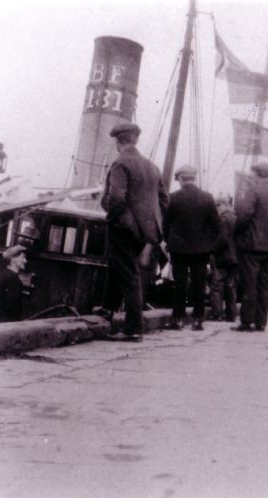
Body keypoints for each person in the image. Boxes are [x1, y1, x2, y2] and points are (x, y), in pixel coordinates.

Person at [100, 122, 168, 342]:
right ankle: (107, 307)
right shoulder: (151, 166)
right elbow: (164, 200)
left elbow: (117, 198)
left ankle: (134, 328)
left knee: (129, 274)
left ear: (118, 142)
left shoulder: (121, 163)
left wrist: (111, 217)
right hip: (145, 230)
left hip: (123, 226)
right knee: (118, 265)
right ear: (135, 140)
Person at [164, 164, 220, 331]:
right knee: (199, 284)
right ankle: (198, 320)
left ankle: (178, 319)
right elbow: (216, 226)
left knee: (180, 284)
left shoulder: (173, 197)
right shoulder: (208, 198)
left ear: (181, 179)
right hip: (201, 251)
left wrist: (169, 242)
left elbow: (165, 224)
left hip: (179, 249)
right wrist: (207, 244)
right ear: (193, 178)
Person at [233, 162, 268, 332]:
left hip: (252, 246)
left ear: (256, 174)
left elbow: (244, 216)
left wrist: (236, 233)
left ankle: (247, 322)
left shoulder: (253, 190)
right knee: (264, 285)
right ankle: (261, 322)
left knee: (250, 283)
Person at [209, 195, 238, 322]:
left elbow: (222, 238)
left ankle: (217, 313)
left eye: (218, 205)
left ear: (225, 205)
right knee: (231, 285)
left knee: (217, 285)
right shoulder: (235, 219)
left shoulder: (223, 219)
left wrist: (212, 250)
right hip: (234, 258)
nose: (217, 208)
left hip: (223, 257)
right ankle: (231, 315)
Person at [0, 245, 27, 322]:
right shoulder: (13, 279)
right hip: (8, 323)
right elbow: (13, 308)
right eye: (23, 257)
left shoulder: (3, 275)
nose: (25, 261)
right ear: (13, 260)